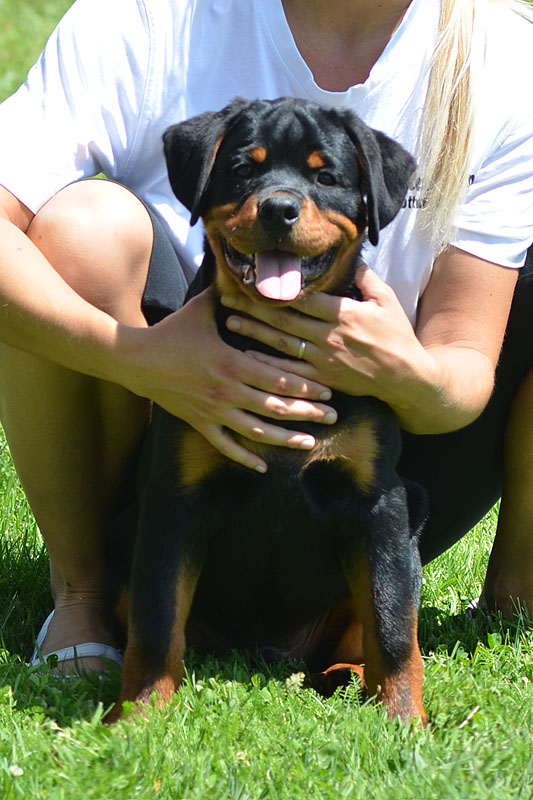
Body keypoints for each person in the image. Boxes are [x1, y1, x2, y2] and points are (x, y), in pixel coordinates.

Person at [0, 0, 532, 673]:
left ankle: (510, 596)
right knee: (84, 227)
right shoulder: (150, 15)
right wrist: (136, 358)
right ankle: (87, 595)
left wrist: (402, 370)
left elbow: (462, 365)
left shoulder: (502, 57)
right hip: (171, 430)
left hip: (386, 450)